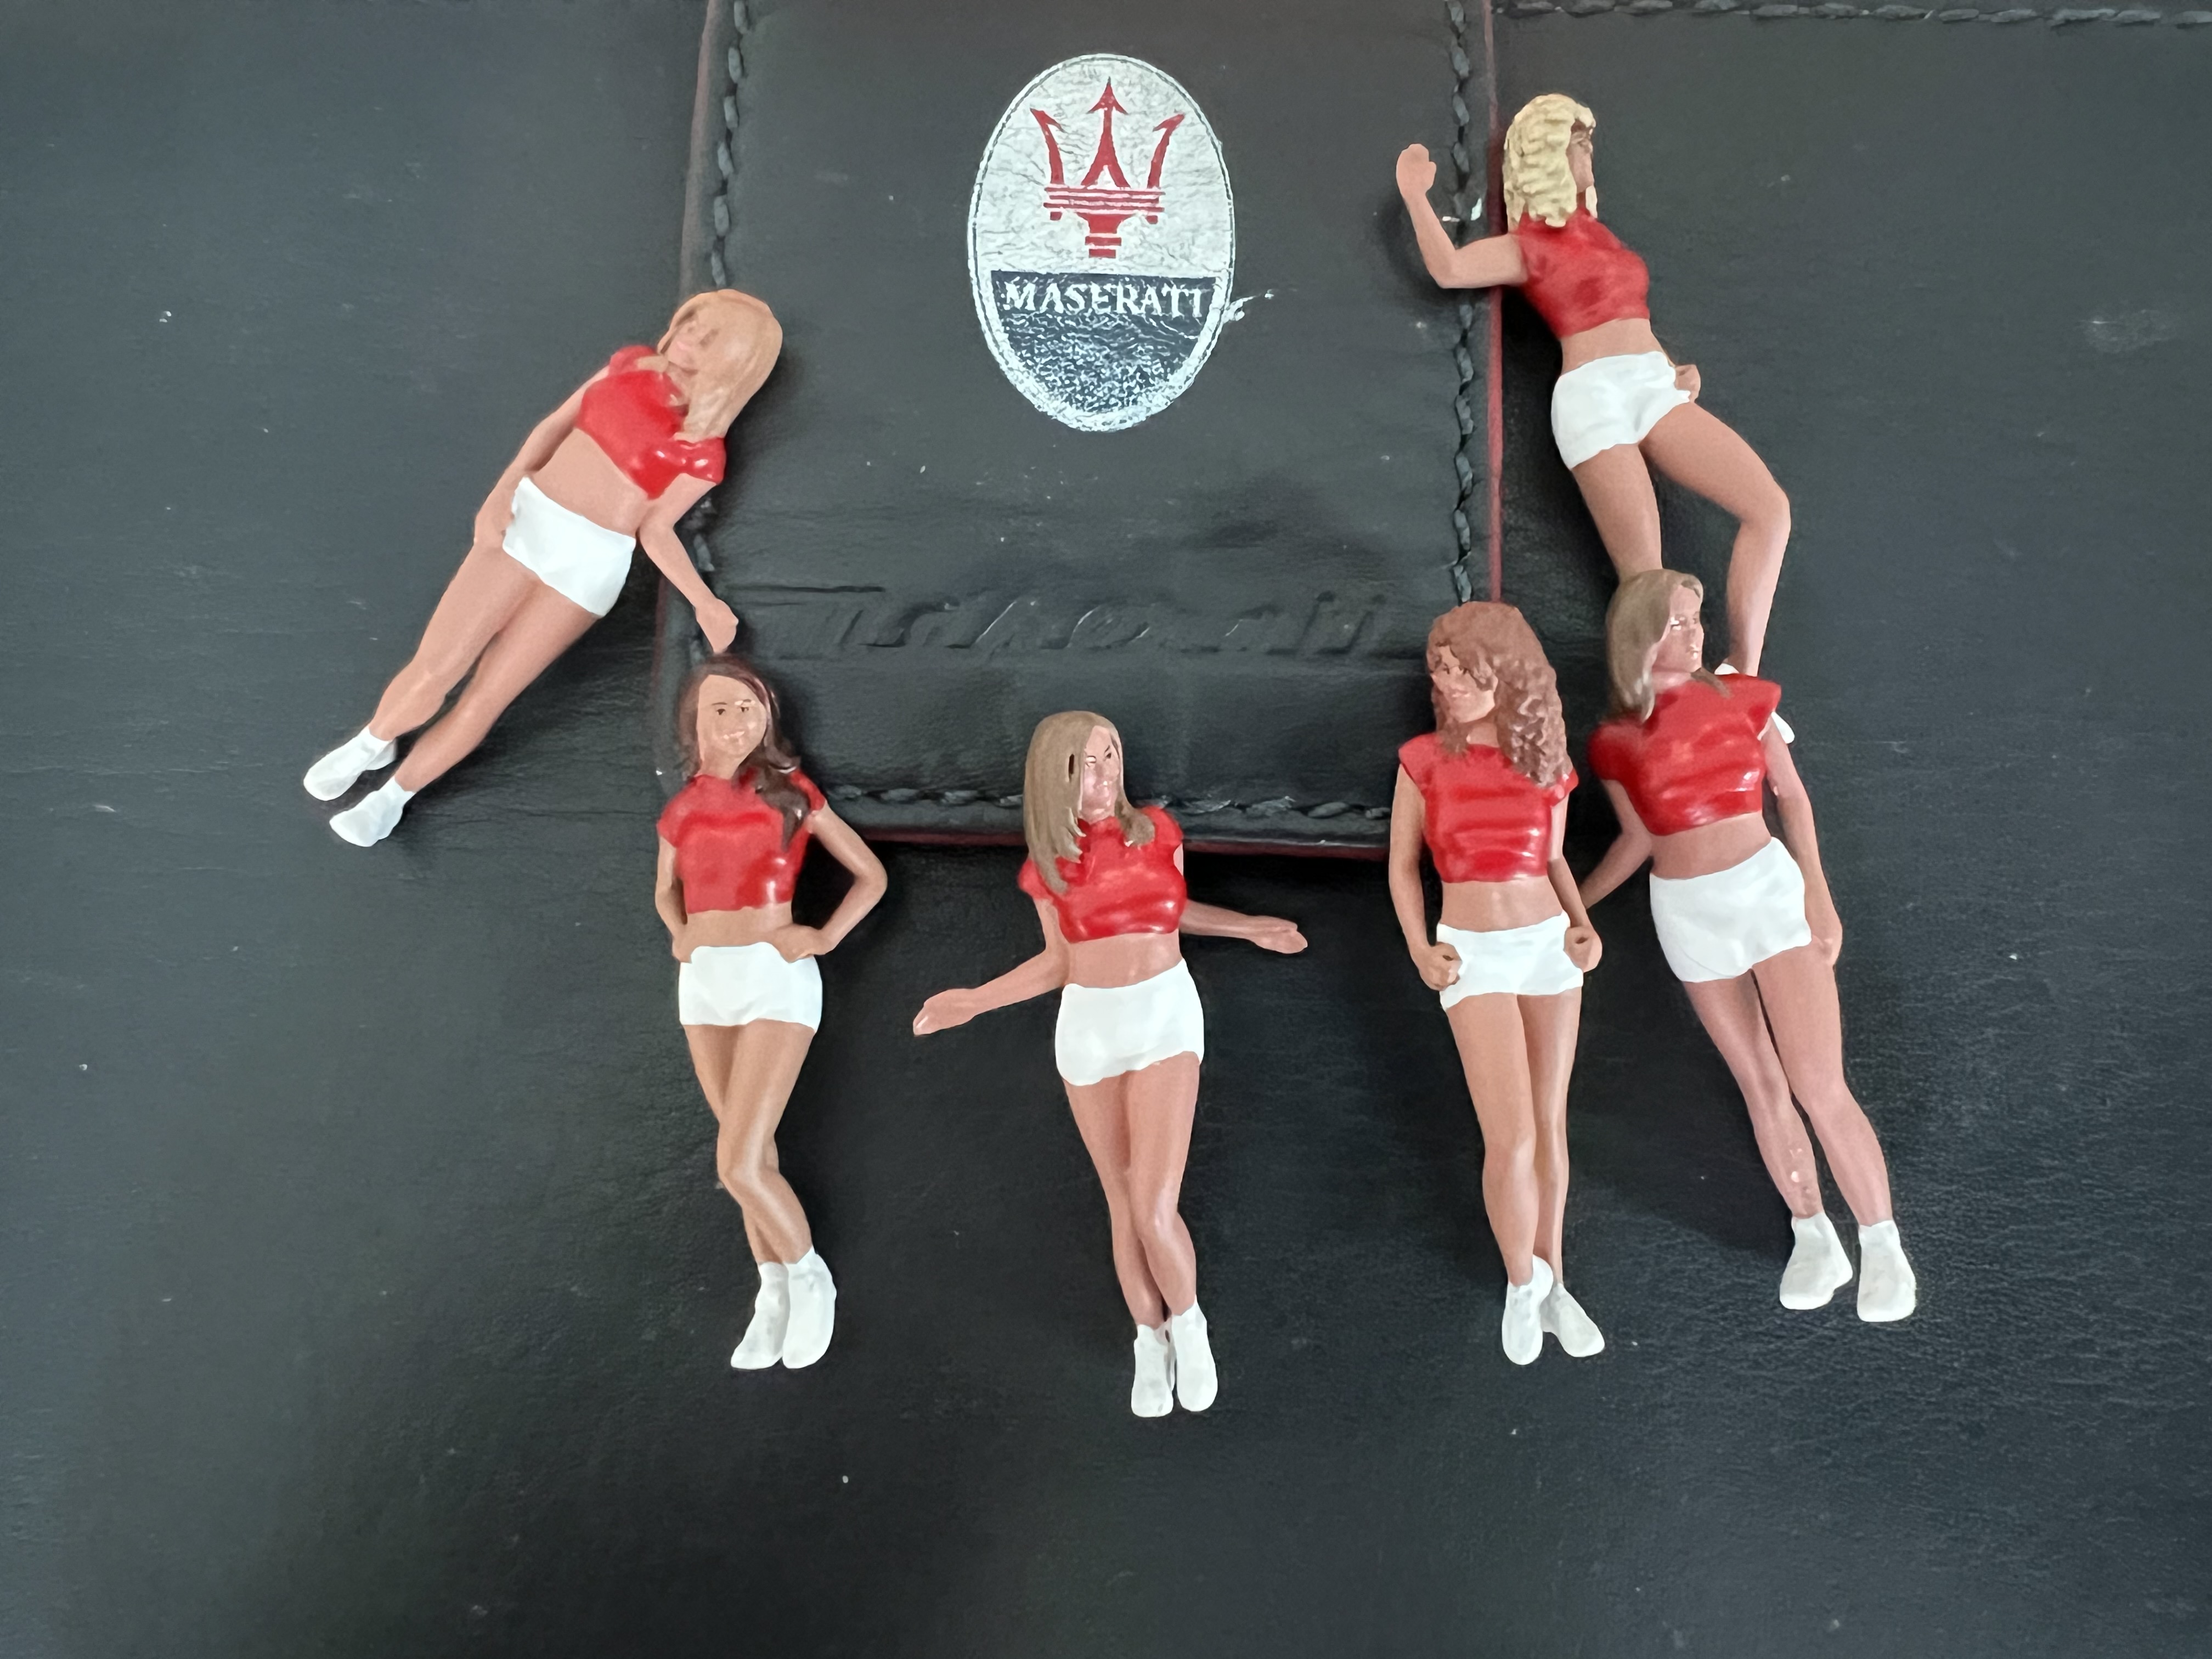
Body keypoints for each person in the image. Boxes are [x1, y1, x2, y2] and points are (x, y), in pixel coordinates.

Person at [911, 713, 1306, 1417]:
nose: (1102, 774)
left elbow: (1174, 911)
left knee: (1154, 1205)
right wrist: (973, 1001)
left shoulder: (1157, 831)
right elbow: (1056, 964)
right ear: (1052, 777)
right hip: (1089, 1031)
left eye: (1110, 756)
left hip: (1164, 1018)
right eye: (1084, 764)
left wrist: (1249, 927)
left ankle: (1190, 1326)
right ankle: (1148, 1340)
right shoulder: (1046, 868)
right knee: (1122, 1204)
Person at [303, 290, 780, 844]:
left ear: (733, 361)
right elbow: (552, 428)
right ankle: (372, 742)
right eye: (694, 321)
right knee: (439, 665)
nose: (692, 335)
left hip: (589, 567)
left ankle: (393, 797)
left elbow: (655, 531)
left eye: (711, 337)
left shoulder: (703, 449)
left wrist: (705, 602)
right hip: (529, 521)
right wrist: (501, 492)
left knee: (488, 696)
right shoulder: (628, 366)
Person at [1580, 569, 1916, 1321]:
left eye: (1696, 619)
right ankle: (1812, 1233)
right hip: (1686, 915)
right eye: (1675, 622)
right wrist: (1576, 907)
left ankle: (1883, 1245)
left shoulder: (1744, 699)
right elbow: (1637, 838)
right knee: (1760, 1083)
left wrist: (1819, 895)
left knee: (1818, 1085)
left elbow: (1792, 797)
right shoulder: (1614, 741)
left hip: (1766, 896)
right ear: (1638, 636)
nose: (1693, 633)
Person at [1396, 95, 1790, 675]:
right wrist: (1414, 195)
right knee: (1645, 579)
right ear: (1544, 156)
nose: (1587, 152)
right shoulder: (1530, 244)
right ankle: (1657, 697)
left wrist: (1670, 366)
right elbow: (1451, 269)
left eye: (1587, 142)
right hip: (1594, 397)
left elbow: (1628, 312)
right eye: (1575, 142)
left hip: (1651, 385)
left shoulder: (1601, 235)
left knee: (1769, 509)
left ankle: (1743, 674)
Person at [1389, 603, 1605, 1363]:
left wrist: (1582, 925)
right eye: (1440, 671)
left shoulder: (1547, 761)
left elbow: (1553, 860)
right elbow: (1403, 868)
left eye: (1462, 671)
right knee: (1509, 1136)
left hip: (1547, 945)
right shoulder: (1423, 760)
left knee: (1549, 1125)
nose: (1448, 684)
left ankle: (1556, 1283)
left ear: (1505, 674)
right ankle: (1521, 1281)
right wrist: (1420, 949)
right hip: (1473, 952)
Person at [656, 656, 887, 1369]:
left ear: (767, 719)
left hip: (773, 976)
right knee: (751, 1156)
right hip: (704, 984)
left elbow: (871, 875)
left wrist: (823, 935)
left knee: (735, 1164)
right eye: (720, 709)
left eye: (747, 708)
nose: (736, 722)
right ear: (695, 723)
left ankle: (810, 1277)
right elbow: (664, 890)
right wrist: (679, 933)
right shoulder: (682, 806)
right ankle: (773, 1292)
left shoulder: (792, 795)